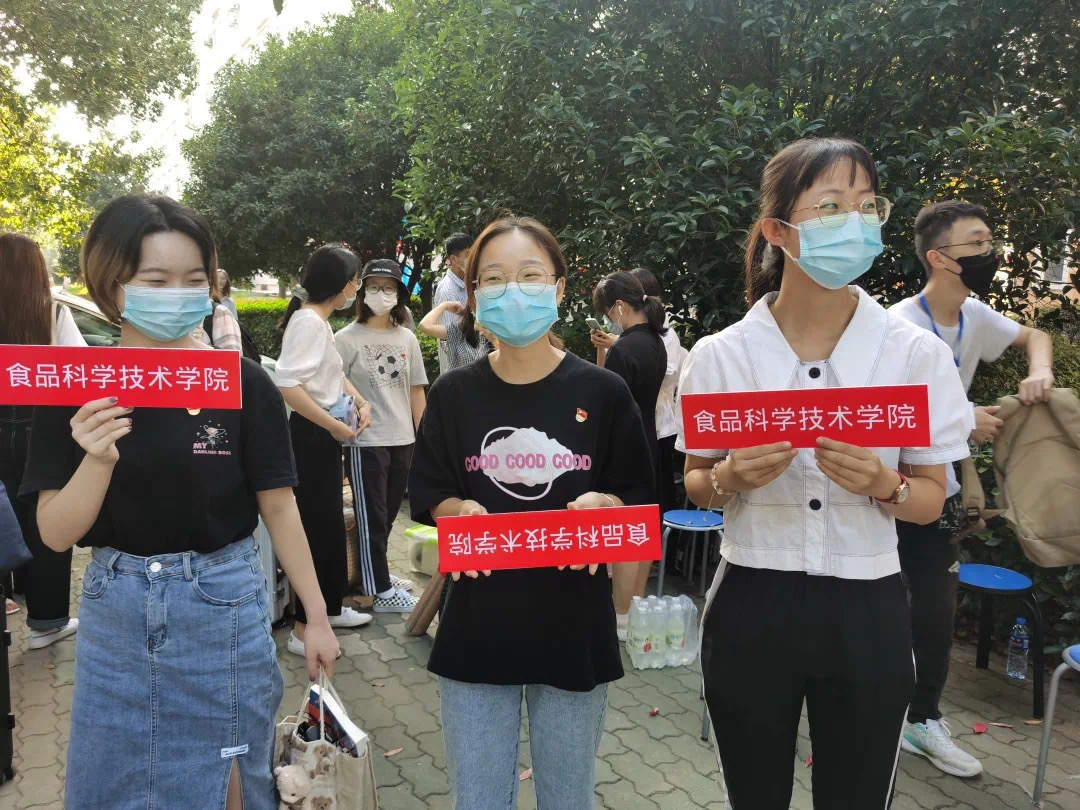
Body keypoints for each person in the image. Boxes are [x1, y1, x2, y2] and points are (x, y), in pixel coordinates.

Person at [677, 138, 972, 809]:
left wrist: (886, 486)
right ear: (778, 231)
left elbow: (930, 500)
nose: (856, 222)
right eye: (832, 206)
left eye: (868, 207)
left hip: (869, 607)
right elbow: (697, 484)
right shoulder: (721, 356)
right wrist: (729, 479)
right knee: (755, 793)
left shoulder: (913, 355)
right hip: (752, 600)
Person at [19, 195, 340, 810]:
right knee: (115, 785)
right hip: (116, 611)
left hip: (223, 604)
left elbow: (279, 507)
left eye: (195, 279)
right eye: (156, 280)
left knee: (230, 783)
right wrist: (98, 457)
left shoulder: (243, 383)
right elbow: (56, 534)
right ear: (111, 284)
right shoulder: (75, 386)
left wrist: (317, 616)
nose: (179, 295)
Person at [409, 216, 654, 810]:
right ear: (473, 295)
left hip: (574, 627)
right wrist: (457, 511)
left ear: (559, 288)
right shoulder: (453, 395)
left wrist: (606, 506)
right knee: (478, 799)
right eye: (493, 279)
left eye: (530, 275)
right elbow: (433, 495)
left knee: (568, 797)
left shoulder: (603, 393)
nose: (512, 291)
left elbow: (637, 504)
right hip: (477, 627)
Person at [888, 200, 1055, 778]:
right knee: (879, 597)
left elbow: (1036, 335)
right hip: (886, 484)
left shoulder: (975, 315)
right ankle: (868, 704)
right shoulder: (898, 326)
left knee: (936, 602)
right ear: (939, 257)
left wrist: (1041, 371)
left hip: (942, 482)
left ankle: (921, 718)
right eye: (977, 244)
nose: (990, 253)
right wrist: (963, 419)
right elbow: (882, 411)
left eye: (989, 241)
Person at [275, 243, 374, 658]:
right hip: (312, 436)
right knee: (317, 529)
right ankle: (304, 629)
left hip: (322, 434)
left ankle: (328, 609)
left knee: (328, 525)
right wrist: (332, 424)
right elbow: (288, 384)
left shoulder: (317, 321)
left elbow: (331, 374)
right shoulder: (309, 323)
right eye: (355, 280)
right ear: (340, 284)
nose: (357, 287)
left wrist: (361, 402)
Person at [0, 233, 84, 648]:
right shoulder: (53, 313)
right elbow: (78, 368)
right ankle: (46, 623)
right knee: (45, 518)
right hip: (42, 426)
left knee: (3, 517)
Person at [336, 259, 425, 612]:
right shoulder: (345, 339)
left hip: (402, 439)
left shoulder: (407, 338)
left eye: (388, 288)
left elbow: (416, 389)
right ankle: (381, 591)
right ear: (361, 292)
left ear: (399, 295)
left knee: (387, 515)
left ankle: (375, 575)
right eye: (373, 286)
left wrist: (424, 437)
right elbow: (333, 382)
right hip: (366, 441)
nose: (380, 294)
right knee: (371, 515)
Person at [590, 270, 667, 640]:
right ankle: (634, 607)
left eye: (607, 311)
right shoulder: (656, 340)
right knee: (643, 530)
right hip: (651, 442)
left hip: (623, 447)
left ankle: (620, 616)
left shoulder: (623, 349)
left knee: (623, 531)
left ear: (619, 306)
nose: (608, 318)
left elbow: (609, 406)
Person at [432, 232, 474, 375]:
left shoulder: (469, 282)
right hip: (459, 369)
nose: (473, 258)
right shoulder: (448, 290)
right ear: (454, 259)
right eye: (468, 254)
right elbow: (451, 337)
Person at [418, 299, 494, 369]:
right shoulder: (458, 331)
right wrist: (445, 305)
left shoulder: (497, 332)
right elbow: (425, 326)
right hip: (460, 379)